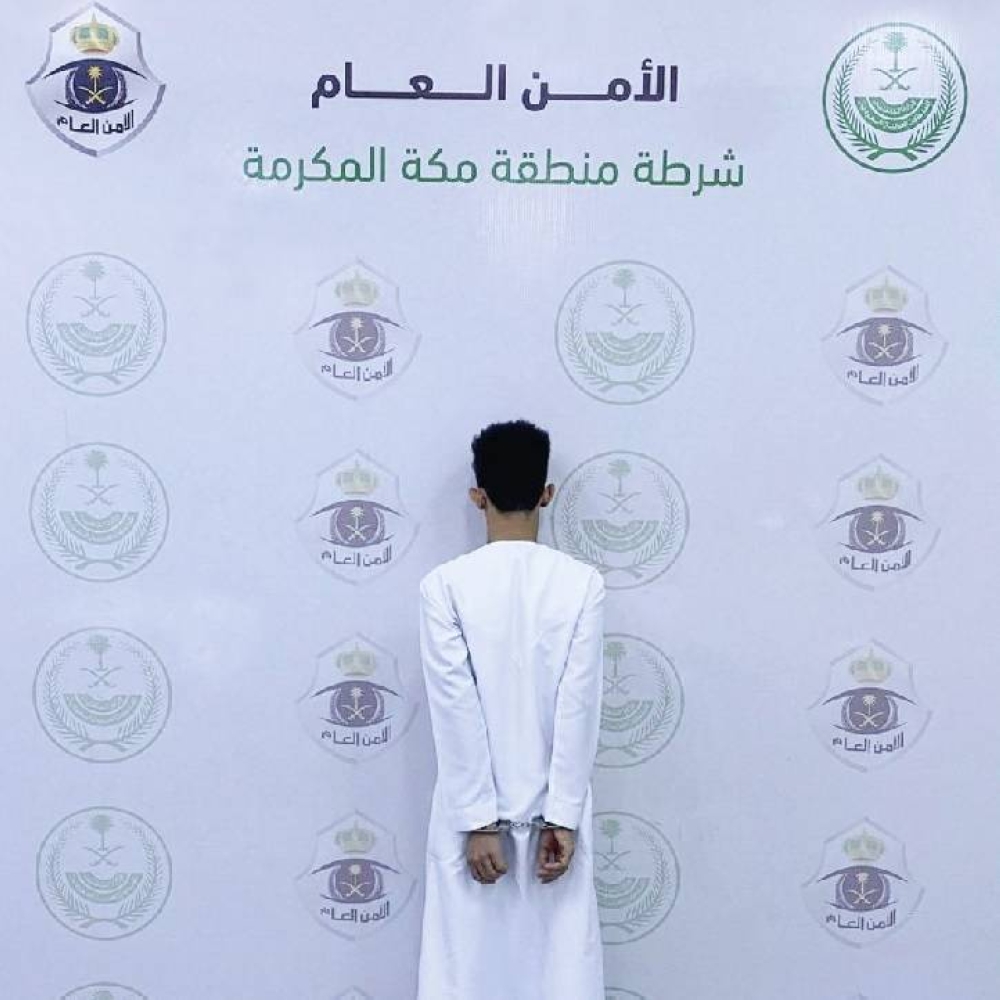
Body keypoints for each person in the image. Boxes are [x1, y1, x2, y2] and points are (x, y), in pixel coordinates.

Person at [416, 419, 606, 1000]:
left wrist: (479, 822)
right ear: (547, 494)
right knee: (560, 977)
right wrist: (563, 817)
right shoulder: (581, 584)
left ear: (478, 497)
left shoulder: (445, 586)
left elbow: (455, 708)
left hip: (470, 825)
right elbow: (579, 705)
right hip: (553, 825)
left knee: (467, 976)